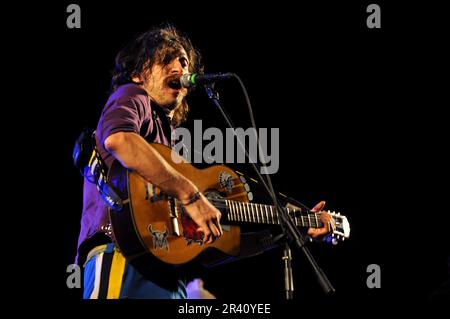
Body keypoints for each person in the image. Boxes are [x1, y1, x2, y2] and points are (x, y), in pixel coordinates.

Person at [75, 24, 332, 299]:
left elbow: (208, 251)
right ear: (137, 74)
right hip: (123, 256)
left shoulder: (169, 146)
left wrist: (291, 230)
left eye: (183, 62)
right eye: (165, 59)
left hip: (170, 278)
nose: (179, 68)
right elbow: (119, 139)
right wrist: (191, 195)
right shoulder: (134, 96)